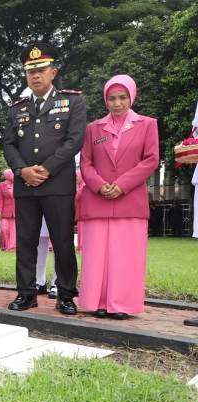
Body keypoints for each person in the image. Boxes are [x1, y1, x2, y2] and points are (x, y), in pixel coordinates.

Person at [3, 43, 87, 314]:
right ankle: (26, 293)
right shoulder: (16, 108)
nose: (36, 76)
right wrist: (22, 171)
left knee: (62, 242)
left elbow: (75, 140)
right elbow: (9, 144)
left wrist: (47, 169)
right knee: (26, 242)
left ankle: (66, 295)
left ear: (53, 72)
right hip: (26, 185)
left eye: (41, 70)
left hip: (58, 184)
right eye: (31, 72)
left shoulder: (72, 101)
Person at [78, 74, 159, 320]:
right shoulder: (93, 128)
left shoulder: (148, 124)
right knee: (97, 255)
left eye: (122, 97)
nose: (117, 103)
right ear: (105, 100)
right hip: (97, 200)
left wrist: (122, 185)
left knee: (126, 255)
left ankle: (121, 304)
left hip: (130, 200)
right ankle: (98, 302)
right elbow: (86, 162)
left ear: (132, 97)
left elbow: (151, 159)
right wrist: (99, 185)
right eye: (112, 98)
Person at [0, 169, 16, 251]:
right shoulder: (1, 185)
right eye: (10, 174)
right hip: (5, 212)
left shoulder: (17, 184)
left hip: (15, 212)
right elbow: (0, 199)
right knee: (4, 229)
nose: (12, 176)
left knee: (13, 231)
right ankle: (4, 245)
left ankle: (12, 247)